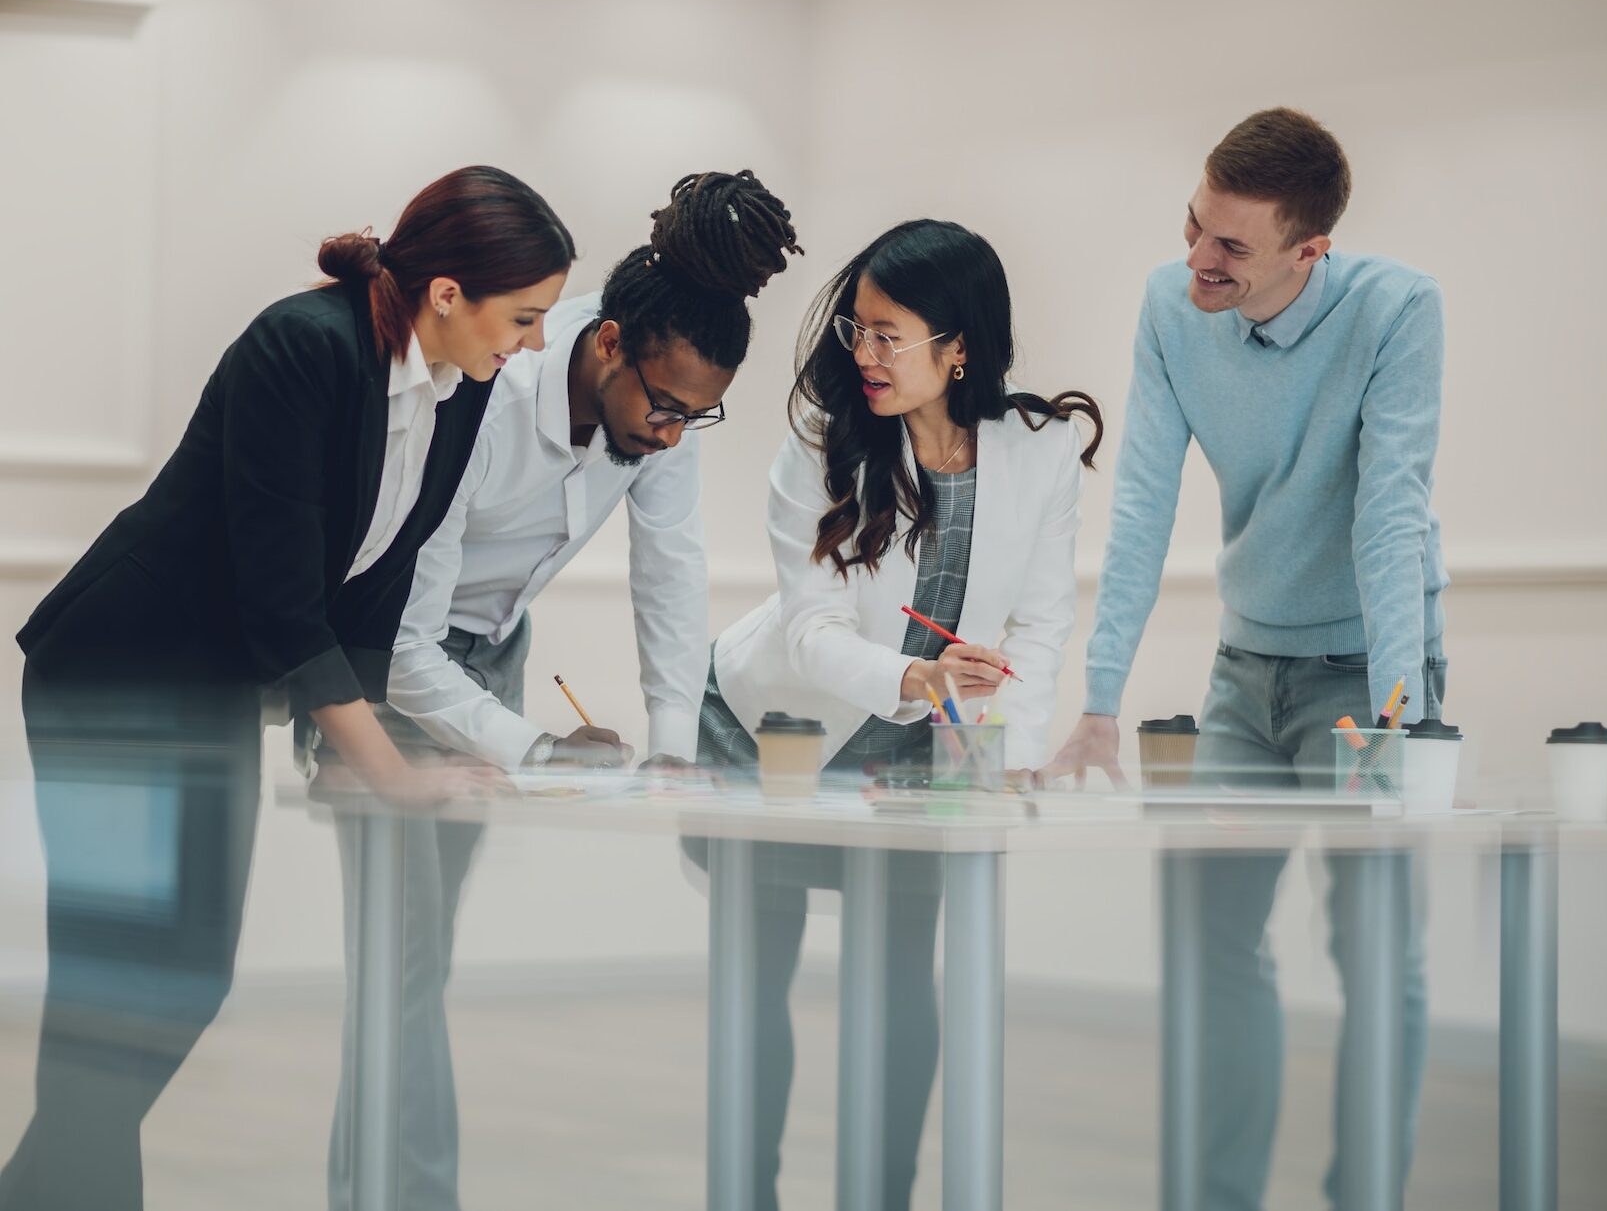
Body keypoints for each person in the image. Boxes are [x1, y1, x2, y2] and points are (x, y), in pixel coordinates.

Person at [1, 166, 575, 1211]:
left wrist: (341, 754)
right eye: (526, 316)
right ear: (447, 292)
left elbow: (379, 582)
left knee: (182, 986)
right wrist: (390, 772)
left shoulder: (463, 382)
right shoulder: (300, 345)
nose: (535, 342)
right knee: (118, 994)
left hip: (206, 685)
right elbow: (280, 598)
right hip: (116, 672)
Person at [323, 171, 803, 1210]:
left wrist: (670, 744)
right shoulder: (492, 385)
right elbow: (407, 640)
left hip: (487, 654)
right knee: (397, 970)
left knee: (414, 969)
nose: (673, 431)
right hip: (387, 661)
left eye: (697, 417)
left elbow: (669, 571)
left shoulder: (662, 407)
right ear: (605, 346)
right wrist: (534, 752)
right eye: (666, 405)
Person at [1044, 108, 1449, 1209]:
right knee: (1209, 944)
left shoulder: (1396, 309)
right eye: (1192, 227)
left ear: (1305, 249)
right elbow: (1138, 504)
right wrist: (1097, 700)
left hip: (1368, 675)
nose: (1197, 261)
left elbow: (1390, 513)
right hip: (1243, 673)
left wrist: (1402, 715)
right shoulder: (1169, 311)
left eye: (1229, 246)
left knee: (1374, 958)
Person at [694, 218, 1103, 1209]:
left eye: (890, 334)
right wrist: (916, 682)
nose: (865, 355)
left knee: (895, 984)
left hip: (920, 745)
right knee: (755, 983)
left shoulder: (1037, 452)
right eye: (856, 330)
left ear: (958, 345)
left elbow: (1041, 626)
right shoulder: (821, 440)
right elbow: (809, 629)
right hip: (777, 726)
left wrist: (999, 758)